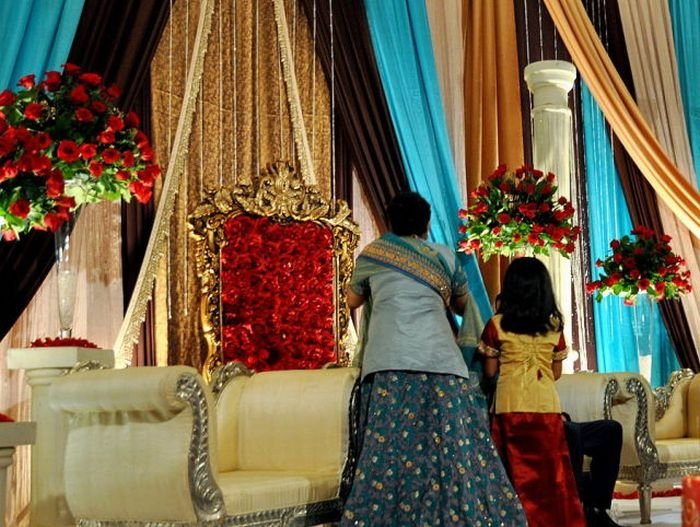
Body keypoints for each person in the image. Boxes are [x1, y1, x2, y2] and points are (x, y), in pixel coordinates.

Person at [341, 191, 526, 526]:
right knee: (451, 453)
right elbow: (460, 305)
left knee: (391, 452)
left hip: (389, 364)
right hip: (442, 365)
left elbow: (352, 301)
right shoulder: (444, 256)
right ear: (426, 224)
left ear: (390, 222)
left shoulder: (374, 253)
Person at [478, 256, 586, 527]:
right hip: (545, 406)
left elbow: (490, 373)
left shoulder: (496, 325)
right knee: (552, 477)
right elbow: (556, 372)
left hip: (509, 405)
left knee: (514, 477)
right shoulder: (554, 327)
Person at [564, 416, 624, 527]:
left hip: (561, 424)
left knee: (611, 430)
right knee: (572, 435)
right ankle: (577, 514)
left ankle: (597, 511)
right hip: (538, 426)